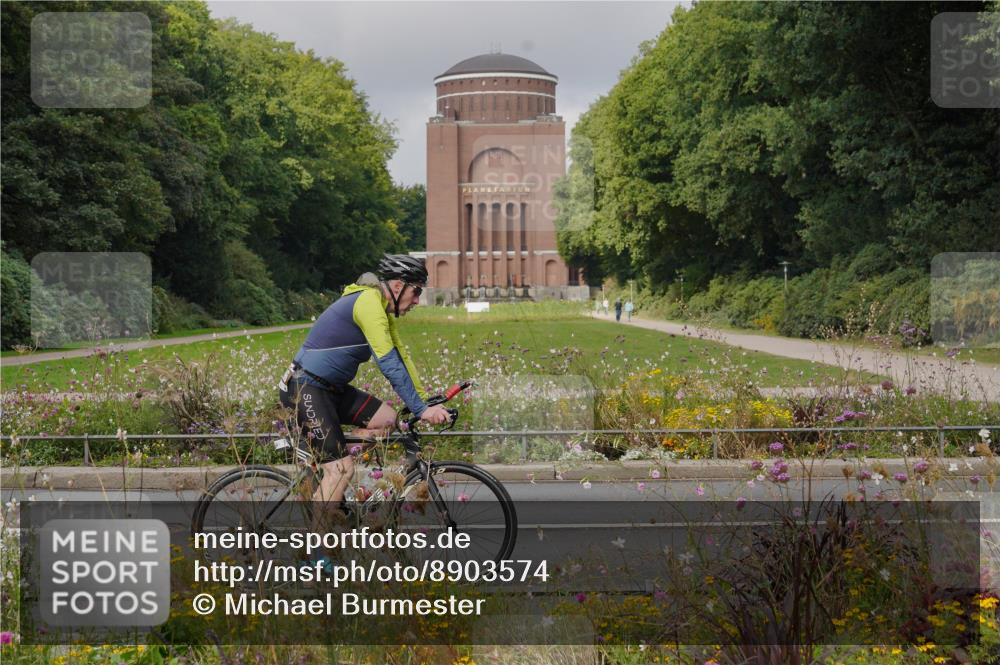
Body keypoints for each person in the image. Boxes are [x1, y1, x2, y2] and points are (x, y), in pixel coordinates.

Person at [278, 254, 452, 506]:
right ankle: (316, 542)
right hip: (304, 388)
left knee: (387, 419)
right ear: (396, 286)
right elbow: (388, 363)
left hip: (330, 390)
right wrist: (421, 410)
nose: (417, 300)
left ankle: (333, 473)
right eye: (415, 292)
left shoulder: (381, 309)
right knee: (340, 471)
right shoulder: (368, 304)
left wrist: (424, 400)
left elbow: (400, 356)